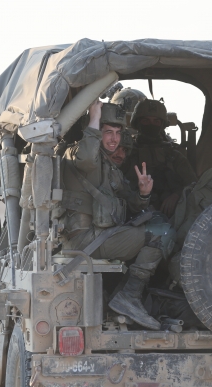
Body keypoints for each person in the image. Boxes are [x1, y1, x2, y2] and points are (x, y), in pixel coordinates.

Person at [60, 101, 169, 330]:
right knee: (160, 234)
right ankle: (129, 297)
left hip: (102, 235)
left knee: (159, 223)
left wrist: (143, 193)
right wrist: (94, 117)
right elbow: (86, 158)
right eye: (107, 132)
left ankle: (123, 298)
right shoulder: (81, 154)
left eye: (118, 133)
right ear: (95, 132)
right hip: (86, 240)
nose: (114, 139)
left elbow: (131, 202)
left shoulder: (109, 166)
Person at [122, 98, 197, 217]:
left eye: (156, 121)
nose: (151, 125)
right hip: (132, 212)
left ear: (162, 124)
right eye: (146, 121)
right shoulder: (126, 153)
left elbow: (193, 184)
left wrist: (177, 195)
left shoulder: (174, 154)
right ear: (138, 123)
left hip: (171, 215)